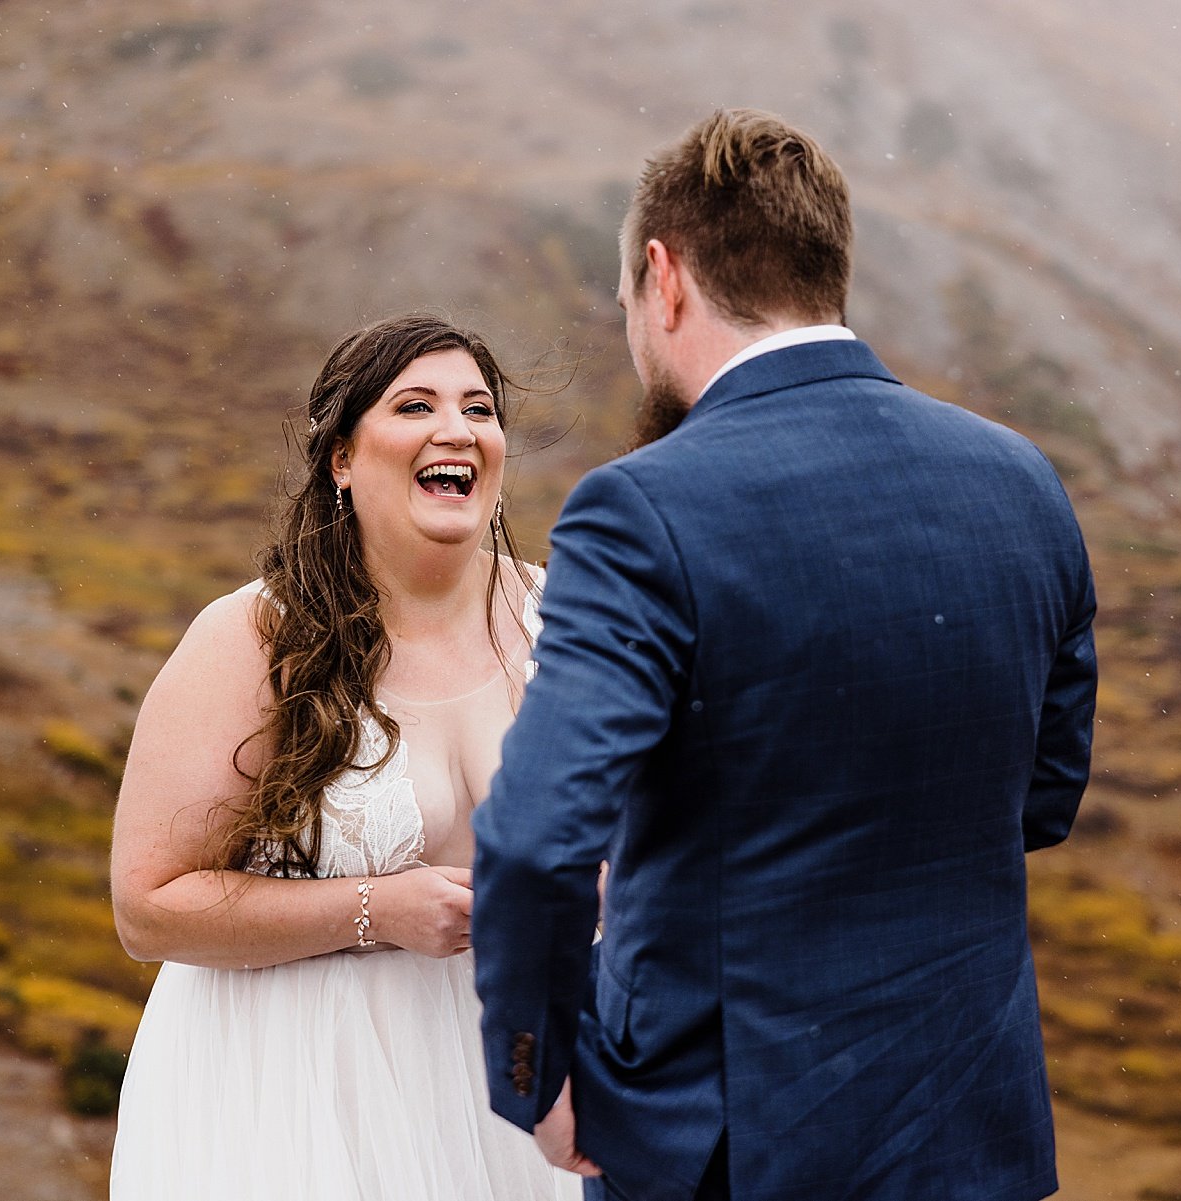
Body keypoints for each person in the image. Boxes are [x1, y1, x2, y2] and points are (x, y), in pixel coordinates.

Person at [471, 109, 1098, 1201]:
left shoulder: (642, 508)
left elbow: (534, 838)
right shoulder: (1020, 481)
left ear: (664, 279)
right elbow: (1043, 796)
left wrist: (537, 1069)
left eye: (628, 301)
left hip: (731, 1146)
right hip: (969, 1129)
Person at [109, 314, 581, 1200]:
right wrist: (376, 908)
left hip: (509, 1093)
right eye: (415, 405)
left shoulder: (566, 621)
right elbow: (148, 906)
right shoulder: (255, 639)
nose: (458, 429)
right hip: (294, 1096)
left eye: (480, 409)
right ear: (342, 458)